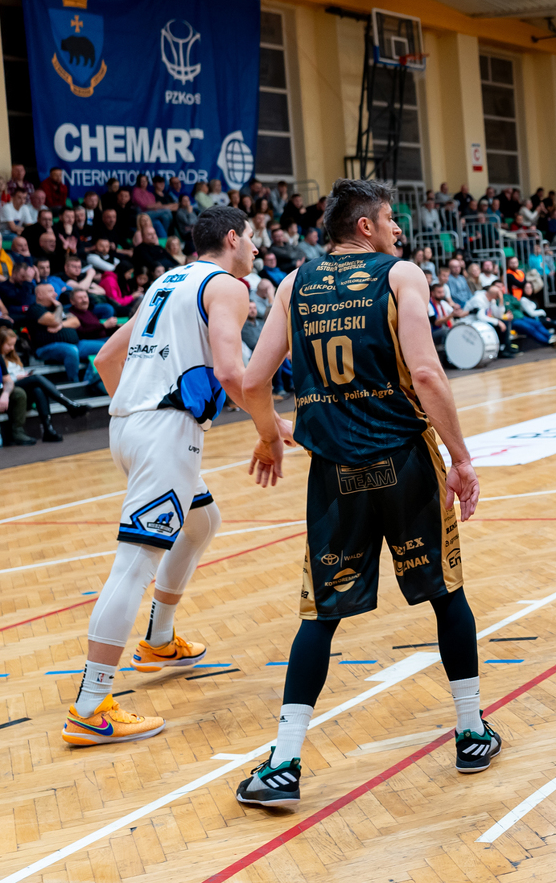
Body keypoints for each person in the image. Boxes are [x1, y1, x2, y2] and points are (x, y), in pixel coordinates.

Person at [233, 179, 497, 807]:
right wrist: (461, 458)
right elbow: (426, 371)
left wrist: (272, 435)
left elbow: (251, 380)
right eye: (390, 218)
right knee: (446, 594)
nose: (398, 229)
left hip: (333, 474)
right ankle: (470, 732)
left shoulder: (293, 284)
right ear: (365, 227)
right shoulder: (400, 275)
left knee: (320, 616)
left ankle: (284, 764)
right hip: (405, 462)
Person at [60, 207, 280, 748]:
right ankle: (90, 707)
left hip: (128, 426)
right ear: (233, 238)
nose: (256, 248)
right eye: (252, 238)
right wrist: (271, 430)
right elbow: (231, 372)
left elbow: (107, 358)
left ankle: (159, 640)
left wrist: (137, 413)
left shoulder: (166, 282)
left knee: (202, 521)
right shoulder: (227, 287)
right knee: (134, 565)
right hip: (164, 432)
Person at [0, 325, 86, 441]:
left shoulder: (12, 357)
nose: (12, 348)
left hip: (21, 389)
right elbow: (0, 380)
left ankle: (48, 429)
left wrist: (23, 375)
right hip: (7, 391)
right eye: (9, 345)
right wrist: (18, 377)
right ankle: (68, 404)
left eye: (13, 345)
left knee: (38, 389)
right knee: (36, 379)